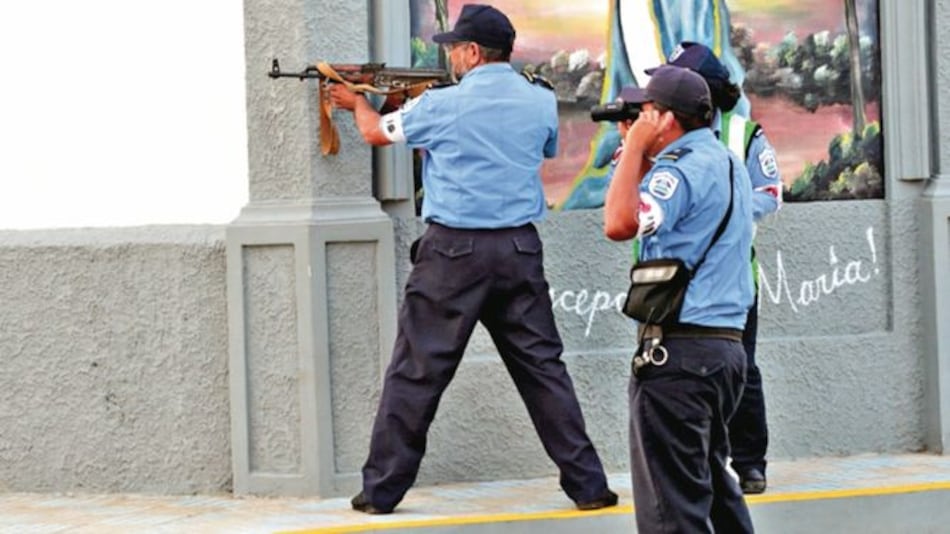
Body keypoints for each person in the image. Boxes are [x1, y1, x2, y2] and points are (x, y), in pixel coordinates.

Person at [327, 3, 617, 515]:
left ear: (473, 52)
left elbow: (376, 134)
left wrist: (356, 104)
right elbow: (546, 148)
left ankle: (381, 491)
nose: (452, 58)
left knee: (417, 372)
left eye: (456, 49)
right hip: (519, 249)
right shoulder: (539, 101)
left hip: (453, 253)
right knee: (543, 370)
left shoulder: (440, 106)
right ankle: (589, 484)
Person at [603, 65, 755, 533]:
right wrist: (644, 156)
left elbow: (619, 223)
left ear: (667, 120)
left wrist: (632, 151)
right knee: (710, 488)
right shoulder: (725, 160)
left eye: (647, 111)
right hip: (723, 352)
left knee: (672, 510)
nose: (640, 119)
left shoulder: (679, 172)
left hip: (681, 355)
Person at [657, 41, 782, 494]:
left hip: (732, 281)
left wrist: (722, 218)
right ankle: (704, 463)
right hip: (672, 282)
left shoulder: (744, 133)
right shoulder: (660, 131)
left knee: (742, 369)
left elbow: (770, 193)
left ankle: (750, 463)